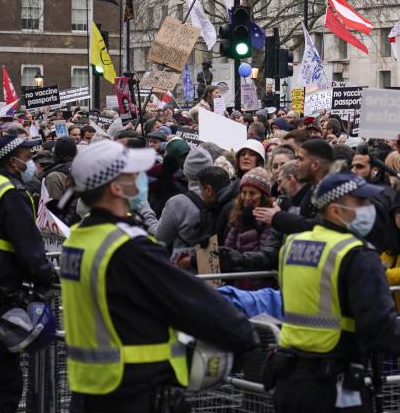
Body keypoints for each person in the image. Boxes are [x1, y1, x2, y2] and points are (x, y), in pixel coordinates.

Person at [60, 140, 255, 412]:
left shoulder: (80, 240)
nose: (141, 178)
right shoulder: (126, 246)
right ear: (116, 187)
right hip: (134, 391)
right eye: (133, 173)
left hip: (93, 389)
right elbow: (186, 299)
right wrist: (244, 335)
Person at [271, 171, 400, 413]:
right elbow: (379, 328)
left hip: (290, 379)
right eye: (360, 202)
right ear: (334, 210)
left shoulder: (293, 245)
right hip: (334, 386)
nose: (368, 208)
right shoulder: (355, 254)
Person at [0, 135, 57, 412]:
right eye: (27, 157)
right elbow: (29, 249)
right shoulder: (10, 192)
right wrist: (47, 279)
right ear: (12, 161)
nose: (30, 162)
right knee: (2, 388)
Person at [224, 168, 275, 289]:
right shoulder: (238, 214)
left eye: (252, 193)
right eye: (244, 192)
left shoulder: (270, 220)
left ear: (263, 196)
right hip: (239, 282)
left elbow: (259, 256)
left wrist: (249, 229)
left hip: (258, 286)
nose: (247, 198)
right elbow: (229, 247)